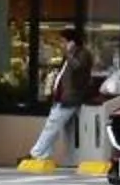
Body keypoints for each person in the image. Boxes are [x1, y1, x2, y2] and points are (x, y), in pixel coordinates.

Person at [28, 28, 96, 166]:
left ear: (72, 41)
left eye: (64, 41)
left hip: (71, 97)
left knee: (52, 125)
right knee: (59, 128)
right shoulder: (71, 54)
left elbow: (78, 67)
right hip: (63, 97)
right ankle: (44, 154)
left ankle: (37, 153)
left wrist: (68, 53)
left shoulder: (82, 54)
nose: (62, 44)